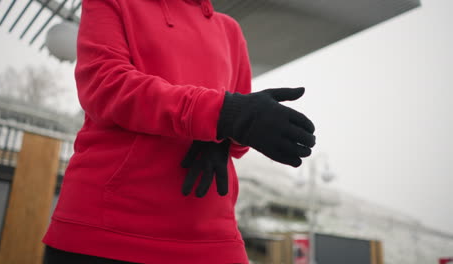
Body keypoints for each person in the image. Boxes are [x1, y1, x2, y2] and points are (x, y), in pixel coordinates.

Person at [42, 0, 316, 263]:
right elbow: (105, 85)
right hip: (106, 229)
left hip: (209, 231)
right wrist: (219, 114)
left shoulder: (230, 31)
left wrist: (233, 129)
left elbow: (237, 136)